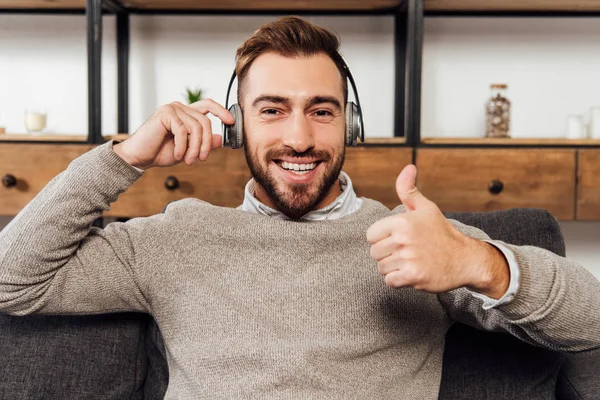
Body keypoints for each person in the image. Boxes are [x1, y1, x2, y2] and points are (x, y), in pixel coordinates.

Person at [0, 16, 598, 400]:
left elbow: (591, 323)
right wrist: (123, 157)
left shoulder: (415, 241)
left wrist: (479, 263)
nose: (300, 138)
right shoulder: (172, 239)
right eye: (271, 109)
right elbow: (13, 280)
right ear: (235, 128)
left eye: (321, 110)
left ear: (349, 124)